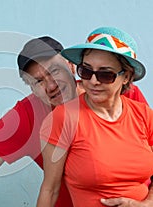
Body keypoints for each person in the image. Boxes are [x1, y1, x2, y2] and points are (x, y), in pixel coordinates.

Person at [0, 35, 149, 207]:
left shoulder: (121, 94)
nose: (51, 85)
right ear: (30, 88)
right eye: (38, 81)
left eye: (55, 71)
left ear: (72, 66)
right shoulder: (24, 117)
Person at [37, 27, 153, 207]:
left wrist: (148, 203)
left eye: (105, 74)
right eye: (86, 71)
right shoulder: (63, 118)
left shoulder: (144, 115)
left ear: (126, 77)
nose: (93, 81)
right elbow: (50, 190)